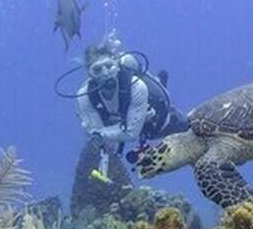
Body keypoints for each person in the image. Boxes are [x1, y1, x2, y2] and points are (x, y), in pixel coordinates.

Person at [75, 35, 189, 178]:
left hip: (159, 120)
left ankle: (160, 82)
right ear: (89, 74)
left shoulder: (136, 87)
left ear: (116, 66)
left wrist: (100, 134)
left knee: (192, 128)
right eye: (97, 70)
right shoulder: (85, 96)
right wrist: (99, 136)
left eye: (109, 66)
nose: (105, 73)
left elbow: (129, 133)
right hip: (125, 122)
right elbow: (98, 133)